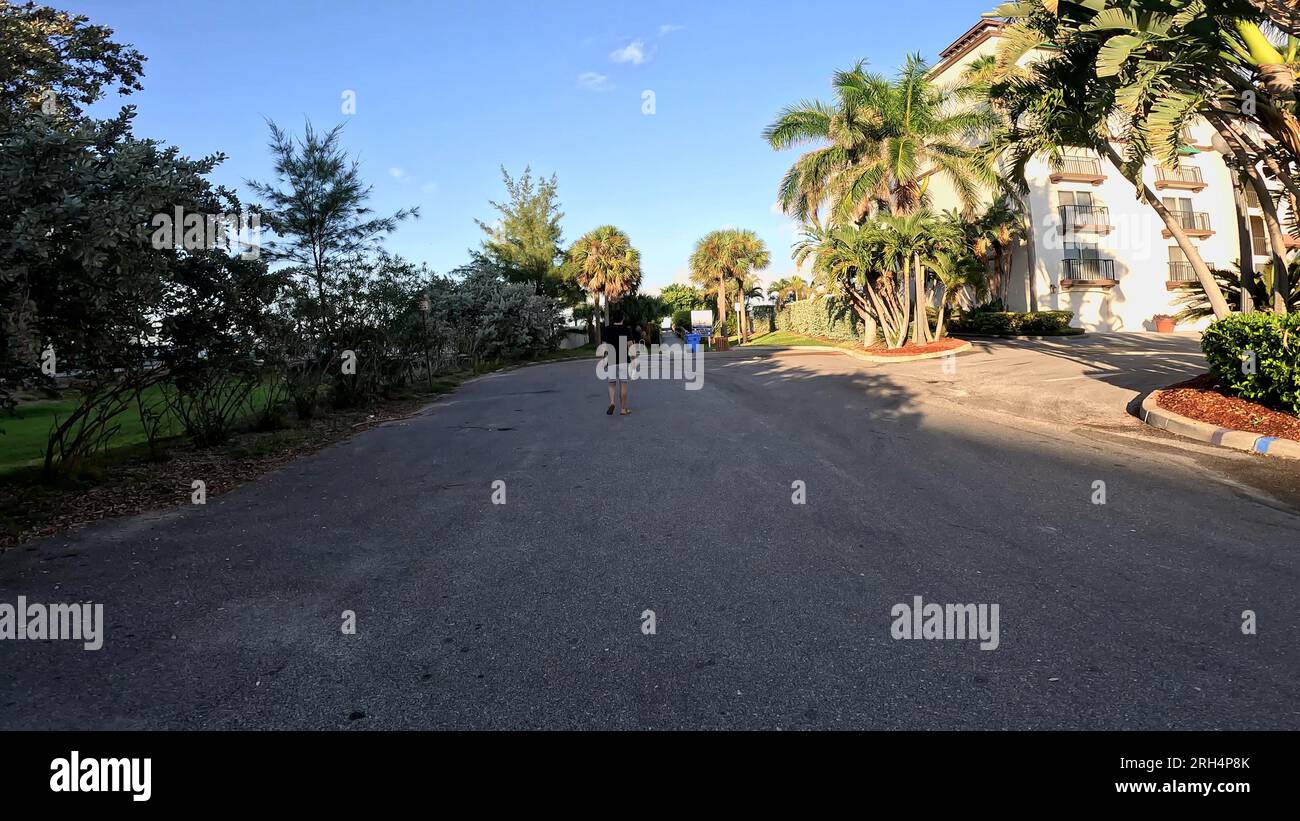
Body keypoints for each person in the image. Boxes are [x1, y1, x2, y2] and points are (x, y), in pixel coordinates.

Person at [601, 309, 637, 416]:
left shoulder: (607, 330)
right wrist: (634, 359)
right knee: (623, 384)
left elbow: (604, 346)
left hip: (611, 359)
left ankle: (612, 402)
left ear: (613, 318)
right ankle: (623, 409)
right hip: (622, 359)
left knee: (611, 384)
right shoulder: (625, 329)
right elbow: (630, 345)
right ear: (623, 318)